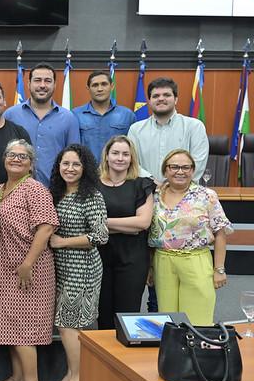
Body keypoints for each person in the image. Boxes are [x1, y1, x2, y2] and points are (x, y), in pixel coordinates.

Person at [0, 139, 59, 381]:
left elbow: (46, 227)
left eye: (23, 156)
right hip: (4, 265)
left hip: (30, 268)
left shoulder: (35, 189)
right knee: (9, 322)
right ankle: (18, 377)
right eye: (12, 155)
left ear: (31, 163)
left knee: (24, 325)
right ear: (4, 159)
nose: (16, 159)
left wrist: (28, 262)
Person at [48, 144, 109, 381]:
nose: (70, 169)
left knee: (68, 326)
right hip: (62, 269)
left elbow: (101, 235)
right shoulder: (57, 193)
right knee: (68, 325)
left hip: (83, 269)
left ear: (85, 168)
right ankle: (71, 375)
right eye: (65, 164)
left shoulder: (91, 195)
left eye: (76, 164)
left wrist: (62, 242)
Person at [149, 149, 232, 325]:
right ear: (165, 170)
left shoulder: (206, 196)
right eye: (174, 167)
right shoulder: (154, 196)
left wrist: (220, 269)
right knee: (169, 321)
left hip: (196, 261)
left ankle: (198, 352)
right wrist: (149, 267)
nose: (180, 171)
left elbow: (220, 233)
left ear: (193, 171)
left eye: (186, 167)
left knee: (198, 320)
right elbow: (150, 233)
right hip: (163, 262)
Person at [96, 136, 155, 329]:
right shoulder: (92, 185)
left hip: (133, 258)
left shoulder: (142, 184)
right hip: (99, 257)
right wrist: (128, 226)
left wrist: (103, 223)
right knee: (103, 313)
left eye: (125, 154)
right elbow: (86, 223)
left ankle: (125, 358)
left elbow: (143, 222)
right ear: (106, 156)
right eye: (115, 153)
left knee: (127, 313)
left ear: (132, 158)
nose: (120, 158)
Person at [4, 63, 80, 186]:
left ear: (55, 85)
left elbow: (74, 158)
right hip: (17, 190)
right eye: (37, 80)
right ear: (29, 84)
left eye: (48, 81)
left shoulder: (69, 118)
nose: (42, 85)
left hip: (56, 192)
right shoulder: (11, 115)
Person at [128, 77, 209, 183]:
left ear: (176, 99)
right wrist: (153, 184)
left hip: (184, 193)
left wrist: (173, 186)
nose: (161, 99)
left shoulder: (194, 127)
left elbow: (198, 163)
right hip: (146, 193)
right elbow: (132, 163)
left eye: (166, 95)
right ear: (149, 101)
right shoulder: (136, 130)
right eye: (156, 96)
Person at [72, 70, 135, 162]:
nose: (100, 89)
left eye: (104, 84)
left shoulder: (127, 115)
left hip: (117, 171)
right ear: (88, 88)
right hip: (86, 173)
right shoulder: (76, 115)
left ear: (112, 86)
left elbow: (132, 149)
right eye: (95, 85)